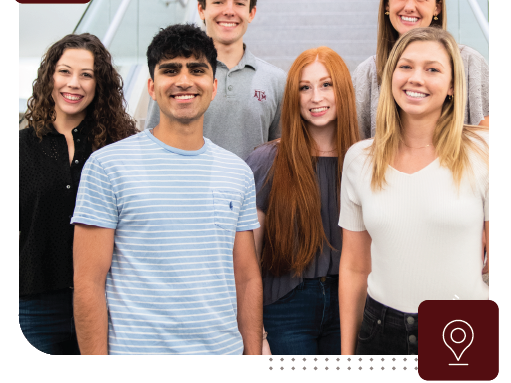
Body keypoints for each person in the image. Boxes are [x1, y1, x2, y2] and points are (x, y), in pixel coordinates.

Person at [72, 23, 263, 355]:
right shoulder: (107, 166)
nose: (184, 80)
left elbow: (246, 278)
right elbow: (88, 284)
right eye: (170, 70)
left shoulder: (238, 173)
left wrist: (254, 357)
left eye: (197, 69)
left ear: (214, 86)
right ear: (151, 85)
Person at [339, 27, 491, 356]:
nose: (415, 78)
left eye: (432, 69)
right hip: (379, 334)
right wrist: (347, 357)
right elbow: (353, 267)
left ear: (452, 85)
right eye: (405, 66)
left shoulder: (485, 154)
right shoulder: (359, 160)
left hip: (464, 333)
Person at [18, 33, 138, 355]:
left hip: (112, 301)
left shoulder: (124, 146)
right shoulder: (22, 147)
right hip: (37, 305)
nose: (74, 83)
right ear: (49, 77)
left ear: (100, 85)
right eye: (65, 72)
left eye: (86, 75)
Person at [245, 46, 360, 357]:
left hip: (351, 303)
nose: (315, 97)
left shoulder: (365, 161)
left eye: (326, 85)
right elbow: (246, 261)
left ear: (344, 91)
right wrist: (258, 335)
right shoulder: (267, 160)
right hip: (284, 308)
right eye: (304, 88)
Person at [145, 0, 287, 161]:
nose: (229, 11)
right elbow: (153, 141)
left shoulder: (276, 80)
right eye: (218, 1)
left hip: (252, 192)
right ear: (201, 9)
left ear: (251, 13)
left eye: (239, 3)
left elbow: (280, 152)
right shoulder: (176, 76)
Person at [352, 0, 489, 141]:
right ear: (387, 4)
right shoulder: (367, 73)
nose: (409, 7)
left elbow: (492, 144)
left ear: (437, 7)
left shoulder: (470, 63)